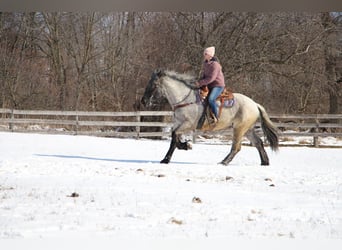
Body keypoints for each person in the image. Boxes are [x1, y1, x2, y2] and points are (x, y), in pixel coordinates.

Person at [195, 46, 225, 122]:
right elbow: (205, 76)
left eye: (205, 54)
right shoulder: (206, 64)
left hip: (218, 85)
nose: (204, 55)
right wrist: (198, 81)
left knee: (211, 99)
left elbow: (212, 78)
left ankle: (216, 117)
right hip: (209, 85)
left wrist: (200, 83)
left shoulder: (215, 65)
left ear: (210, 55)